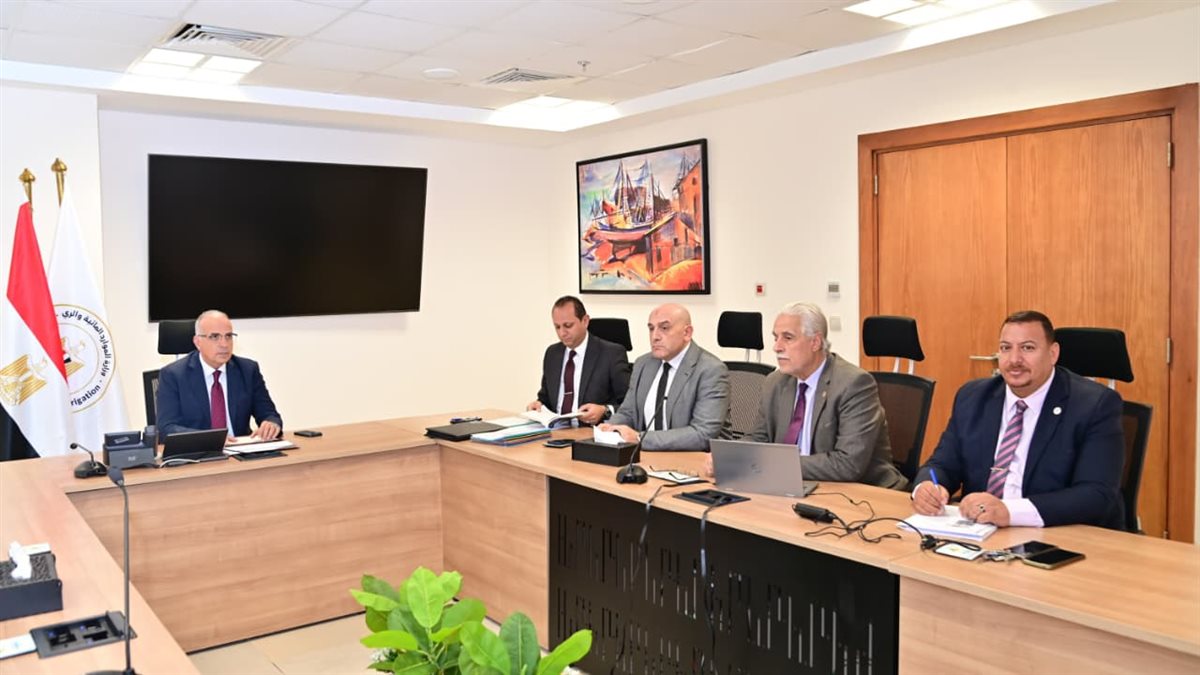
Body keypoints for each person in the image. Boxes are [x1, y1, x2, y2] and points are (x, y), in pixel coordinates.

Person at [911, 311, 1125, 529]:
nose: (1014, 360)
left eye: (1027, 348)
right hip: (979, 532)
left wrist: (1010, 512)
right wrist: (926, 487)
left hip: (1057, 535)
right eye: (1006, 348)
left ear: (1053, 354)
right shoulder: (973, 397)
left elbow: (1096, 494)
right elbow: (941, 464)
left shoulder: (1094, 405)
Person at [708, 302, 906, 488]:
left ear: (815, 342)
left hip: (861, 493)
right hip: (797, 486)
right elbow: (760, 438)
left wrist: (775, 465)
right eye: (776, 338)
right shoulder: (775, 382)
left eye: (788, 338)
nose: (777, 347)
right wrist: (729, 457)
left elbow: (848, 463)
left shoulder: (854, 384)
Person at [600, 303, 730, 451]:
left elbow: (703, 434)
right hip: (646, 456)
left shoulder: (710, 370)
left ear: (687, 333)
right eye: (651, 328)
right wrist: (610, 427)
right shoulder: (643, 364)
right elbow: (628, 412)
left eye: (664, 328)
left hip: (695, 458)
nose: (655, 336)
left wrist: (639, 438)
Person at [156, 309, 283, 440]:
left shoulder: (248, 370)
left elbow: (270, 414)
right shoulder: (173, 375)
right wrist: (212, 439)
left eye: (228, 336)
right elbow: (166, 427)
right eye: (215, 337)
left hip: (240, 448)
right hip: (200, 450)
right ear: (198, 342)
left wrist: (271, 424)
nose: (224, 344)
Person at [526, 295, 631, 425]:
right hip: (555, 431)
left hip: (591, 431)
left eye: (568, 325)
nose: (562, 333)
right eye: (557, 327)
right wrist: (538, 405)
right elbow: (545, 398)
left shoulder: (611, 354)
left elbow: (630, 405)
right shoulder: (552, 354)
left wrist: (605, 410)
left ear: (585, 321)